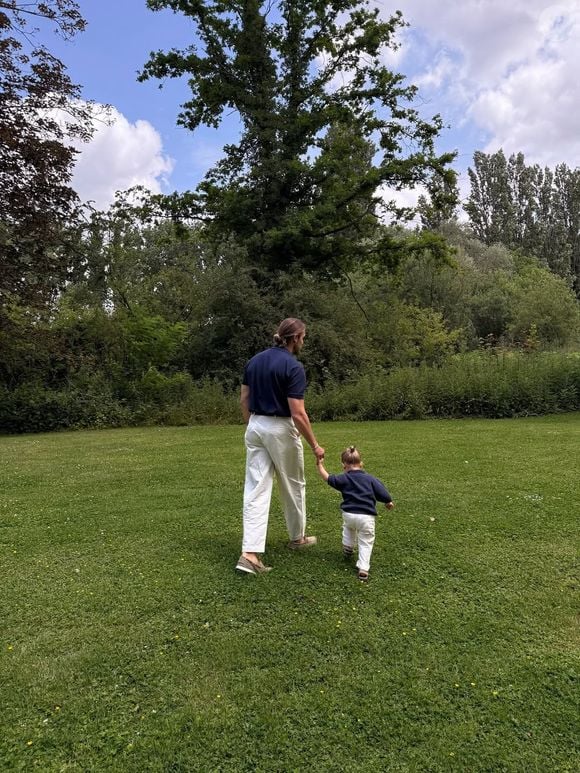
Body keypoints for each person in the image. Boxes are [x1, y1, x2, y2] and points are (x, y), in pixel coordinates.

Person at [236, 318, 325, 575]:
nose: (303, 342)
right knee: (293, 483)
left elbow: (244, 398)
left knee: (256, 487)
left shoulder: (254, 361)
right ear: (295, 337)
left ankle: (249, 553)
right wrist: (315, 445)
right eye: (303, 337)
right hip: (280, 427)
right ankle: (297, 537)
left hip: (255, 425)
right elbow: (298, 413)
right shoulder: (293, 367)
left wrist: (250, 425)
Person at [316, 446, 394, 581]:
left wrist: (320, 465)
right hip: (366, 517)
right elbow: (382, 492)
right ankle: (363, 568)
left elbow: (328, 478)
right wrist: (388, 502)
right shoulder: (370, 479)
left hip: (349, 514)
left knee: (348, 527)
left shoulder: (343, 479)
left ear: (343, 465)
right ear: (361, 464)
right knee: (366, 541)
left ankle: (347, 545)